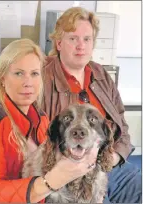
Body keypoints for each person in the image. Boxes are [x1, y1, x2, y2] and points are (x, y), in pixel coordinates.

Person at [0, 39, 101, 203]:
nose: (28, 83)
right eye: (19, 73)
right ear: (2, 79)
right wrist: (51, 182)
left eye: (34, 74)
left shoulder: (41, 119)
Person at [42, 7, 142, 203]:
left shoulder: (101, 75)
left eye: (87, 39)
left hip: (109, 165)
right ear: (59, 42)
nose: (81, 46)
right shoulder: (42, 76)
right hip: (67, 169)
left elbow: (122, 125)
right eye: (73, 38)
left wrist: (113, 159)